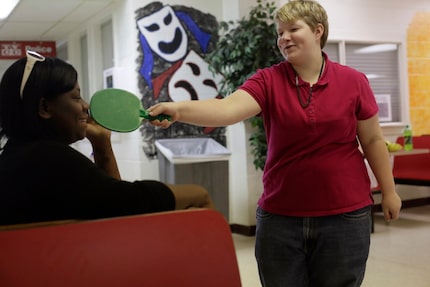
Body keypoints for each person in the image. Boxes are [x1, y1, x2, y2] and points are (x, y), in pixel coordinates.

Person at [148, 1, 402, 286]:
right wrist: (179, 110)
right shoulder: (268, 80)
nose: (284, 38)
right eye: (280, 33)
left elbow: (372, 139)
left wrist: (389, 191)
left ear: (318, 31)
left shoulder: (353, 81)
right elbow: (228, 109)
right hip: (281, 219)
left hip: (344, 216)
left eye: (293, 29)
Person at [0, 50, 214, 226]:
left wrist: (102, 145)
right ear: (45, 107)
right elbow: (126, 206)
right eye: (75, 96)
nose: (85, 106)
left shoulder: (14, 155)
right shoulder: (49, 157)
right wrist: (197, 192)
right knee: (197, 197)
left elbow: (108, 204)